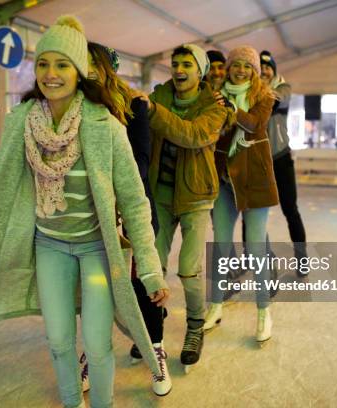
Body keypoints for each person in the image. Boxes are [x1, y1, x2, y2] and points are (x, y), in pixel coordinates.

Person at [0, 15, 169, 408]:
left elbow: (135, 201)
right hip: (49, 247)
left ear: (79, 71)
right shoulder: (22, 121)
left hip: (96, 253)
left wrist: (151, 268)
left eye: (61, 64)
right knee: (57, 342)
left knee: (98, 344)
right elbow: (0, 186)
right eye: (42, 64)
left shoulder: (105, 126)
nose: (50, 74)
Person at [79, 41, 172, 397]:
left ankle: (157, 351)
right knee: (96, 289)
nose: (86, 73)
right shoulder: (74, 109)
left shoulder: (134, 106)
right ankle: (92, 352)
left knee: (142, 287)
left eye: (92, 65)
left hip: (132, 213)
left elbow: (141, 159)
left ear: (106, 68)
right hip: (93, 219)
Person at [142, 44, 229, 372]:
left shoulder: (215, 105)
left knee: (190, 269)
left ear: (200, 71)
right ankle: (152, 327)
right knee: (154, 266)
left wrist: (151, 112)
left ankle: (194, 327)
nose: (179, 70)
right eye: (175, 64)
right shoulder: (159, 97)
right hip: (161, 196)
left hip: (196, 196)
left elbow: (193, 135)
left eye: (187, 65)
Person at [203, 46, 279, 347]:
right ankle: (216, 306)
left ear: (254, 72)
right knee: (221, 246)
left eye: (248, 67)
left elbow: (253, 124)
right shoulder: (215, 95)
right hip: (223, 181)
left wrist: (231, 110)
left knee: (256, 248)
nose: (241, 70)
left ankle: (263, 312)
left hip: (255, 181)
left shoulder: (264, 97)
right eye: (237, 65)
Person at [257, 50, 308, 276]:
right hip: (257, 161)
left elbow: (274, 102)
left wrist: (252, 93)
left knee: (291, 210)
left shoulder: (283, 88)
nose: (265, 71)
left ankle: (301, 257)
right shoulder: (250, 91)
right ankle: (262, 262)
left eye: (268, 67)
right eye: (261, 68)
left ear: (274, 71)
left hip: (280, 159)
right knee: (254, 215)